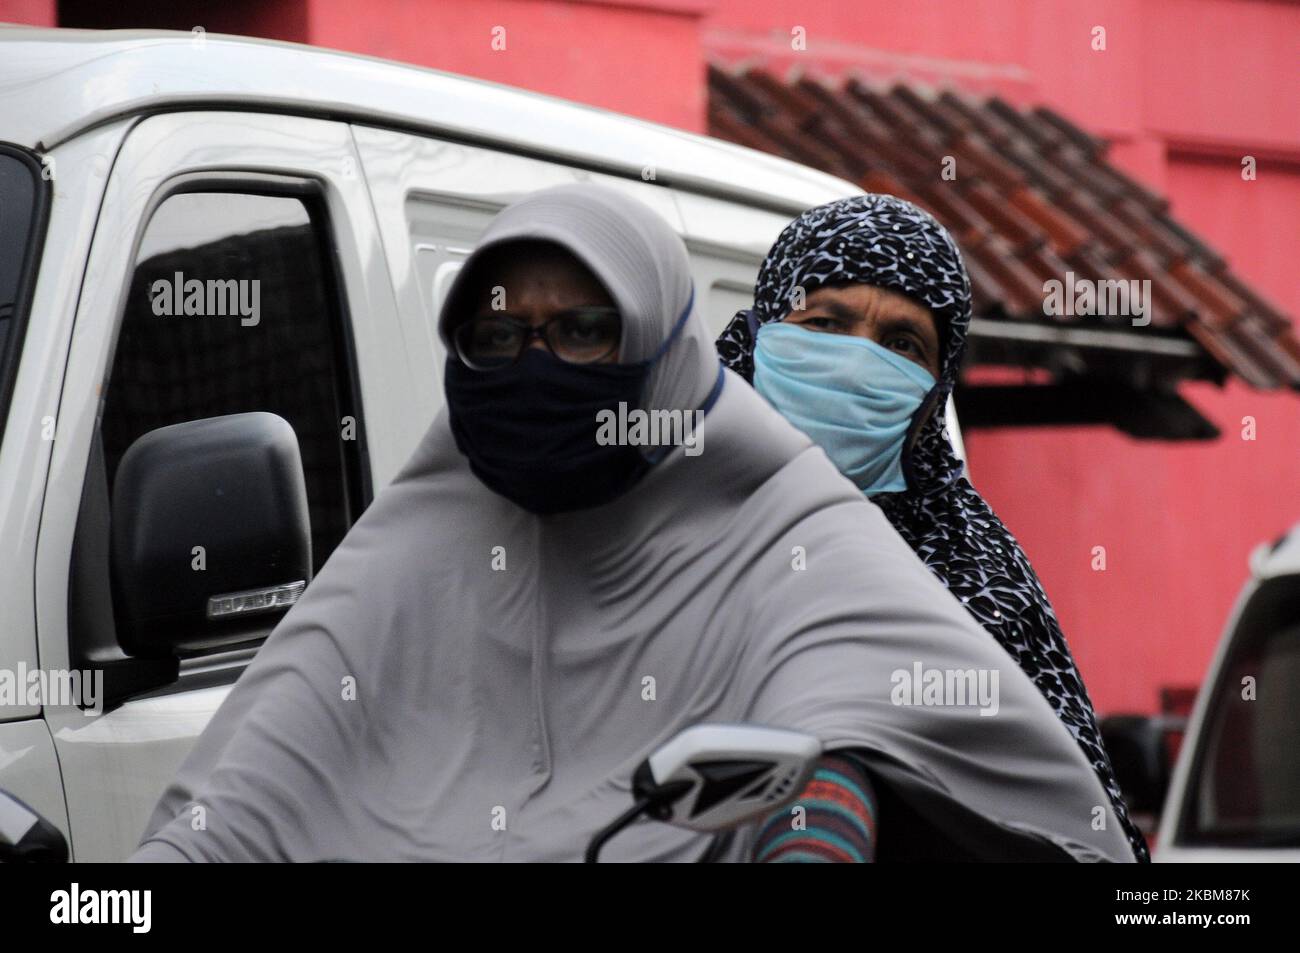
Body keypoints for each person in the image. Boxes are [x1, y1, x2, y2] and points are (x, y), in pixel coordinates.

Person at [130, 184, 1135, 863]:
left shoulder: (818, 547)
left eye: (579, 329)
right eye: (496, 332)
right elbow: (243, 798)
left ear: (664, 354)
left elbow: (844, 739)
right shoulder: (417, 543)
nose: (535, 364)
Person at [716, 193, 1150, 862]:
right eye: (826, 322)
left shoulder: (980, 578)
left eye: (901, 342)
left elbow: (1075, 815)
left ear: (935, 391)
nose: (856, 364)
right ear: (760, 332)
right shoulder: (661, 521)